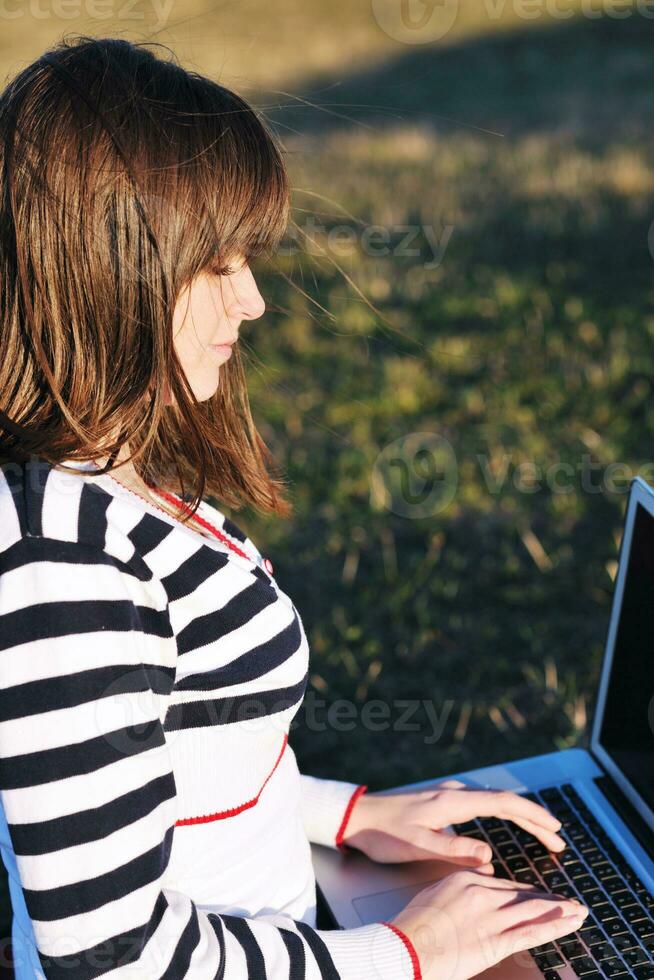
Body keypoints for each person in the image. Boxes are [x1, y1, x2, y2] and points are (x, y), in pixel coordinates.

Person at [0, 36, 589, 980]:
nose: (255, 301)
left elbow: (184, 770)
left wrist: (348, 815)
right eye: (218, 263)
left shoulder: (113, 480)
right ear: (111, 272)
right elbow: (107, 957)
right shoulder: (64, 572)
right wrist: (401, 952)